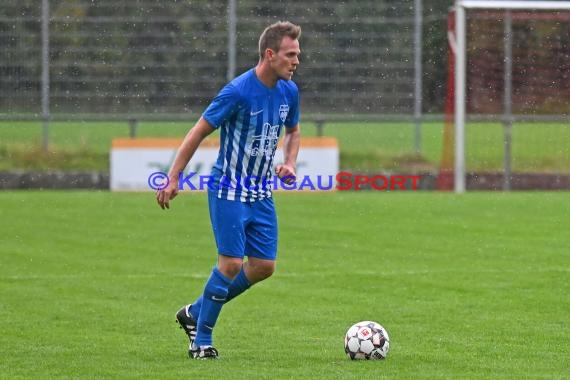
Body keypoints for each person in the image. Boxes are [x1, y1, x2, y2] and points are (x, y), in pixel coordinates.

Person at [156, 21, 302, 359]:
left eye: (297, 54)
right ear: (270, 54)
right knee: (231, 264)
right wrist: (174, 176)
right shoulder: (237, 92)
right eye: (290, 54)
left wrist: (290, 163)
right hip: (228, 188)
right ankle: (201, 340)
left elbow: (293, 131)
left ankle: (195, 311)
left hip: (261, 192)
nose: (296, 61)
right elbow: (198, 131)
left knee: (264, 266)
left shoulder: (289, 91)